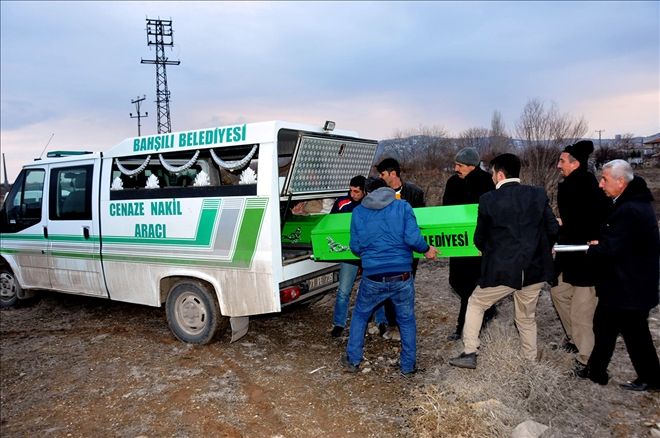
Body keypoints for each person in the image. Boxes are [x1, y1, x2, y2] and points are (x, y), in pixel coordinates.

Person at [449, 153, 558, 369]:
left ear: (499, 174)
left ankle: (470, 351)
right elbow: (553, 229)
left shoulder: (488, 200)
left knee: (476, 303)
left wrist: (490, 251)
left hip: (503, 271)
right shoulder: (537, 194)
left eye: (492, 174)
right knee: (526, 318)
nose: (491, 178)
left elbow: (479, 239)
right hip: (535, 271)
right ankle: (530, 362)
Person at [577, 160, 660, 391]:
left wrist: (595, 247)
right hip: (626, 283)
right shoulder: (630, 203)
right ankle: (596, 371)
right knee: (605, 326)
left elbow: (612, 248)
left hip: (629, 286)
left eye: (605, 179)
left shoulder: (630, 209)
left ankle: (651, 378)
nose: (601, 184)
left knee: (634, 335)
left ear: (621, 182)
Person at [341, 178, 438, 376]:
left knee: (360, 315)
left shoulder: (359, 212)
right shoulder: (403, 206)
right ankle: (407, 366)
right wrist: (427, 249)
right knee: (407, 319)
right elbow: (412, 238)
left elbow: (356, 247)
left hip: (373, 276)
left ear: (367, 192)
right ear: (387, 189)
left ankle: (353, 360)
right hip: (401, 274)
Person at [551, 140, 609, 369]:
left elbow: (593, 223)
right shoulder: (570, 185)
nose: (558, 165)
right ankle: (575, 339)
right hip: (568, 257)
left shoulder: (588, 187)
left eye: (562, 161)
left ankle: (589, 359)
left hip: (586, 260)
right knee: (558, 293)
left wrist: (563, 225)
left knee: (582, 312)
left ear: (575, 164)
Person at [442, 147, 496, 341]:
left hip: (479, 243)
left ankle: (465, 327)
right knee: (456, 281)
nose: (456, 168)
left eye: (460, 165)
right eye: (456, 164)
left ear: (472, 166)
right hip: (459, 242)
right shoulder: (453, 182)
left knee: (472, 286)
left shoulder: (486, 182)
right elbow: (446, 210)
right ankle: (486, 313)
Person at [329, 175, 387, 337]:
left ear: (365, 192)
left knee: (378, 289)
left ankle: (381, 321)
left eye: (356, 191)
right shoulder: (341, 203)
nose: (352, 194)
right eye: (350, 190)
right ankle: (339, 324)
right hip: (349, 253)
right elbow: (331, 225)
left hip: (369, 254)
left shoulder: (371, 204)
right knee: (343, 290)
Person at [375, 158, 425, 340]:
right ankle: (392, 324)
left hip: (409, 251)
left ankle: (405, 326)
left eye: (382, 174)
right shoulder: (379, 195)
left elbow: (420, 222)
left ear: (393, 173)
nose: (380, 177)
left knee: (406, 289)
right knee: (388, 287)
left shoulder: (415, 193)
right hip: (388, 251)